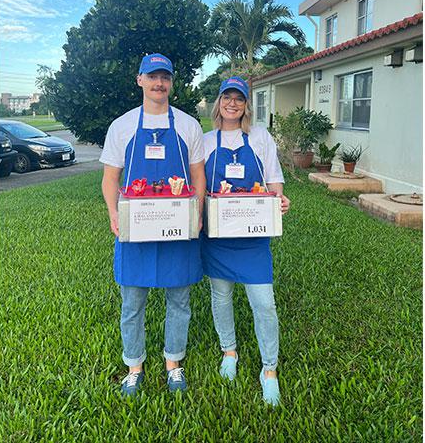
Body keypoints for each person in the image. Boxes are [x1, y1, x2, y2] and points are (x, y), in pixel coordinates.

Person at [99, 53, 206, 397]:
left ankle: (173, 362)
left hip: (178, 226)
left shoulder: (189, 125)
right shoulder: (123, 125)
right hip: (136, 227)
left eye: (165, 77)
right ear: (140, 80)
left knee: (179, 299)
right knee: (132, 302)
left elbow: (198, 175)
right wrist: (114, 213)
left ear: (172, 82)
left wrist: (198, 212)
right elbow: (110, 178)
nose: (159, 83)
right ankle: (134, 366)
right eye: (153, 76)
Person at [200, 76, 291, 406]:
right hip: (217, 237)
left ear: (246, 105)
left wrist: (278, 201)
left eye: (239, 99)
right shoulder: (206, 140)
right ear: (219, 102)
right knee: (220, 295)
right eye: (228, 97)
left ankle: (269, 370)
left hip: (252, 238)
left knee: (264, 303)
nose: (233, 104)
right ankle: (229, 350)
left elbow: (274, 180)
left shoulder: (261, 138)